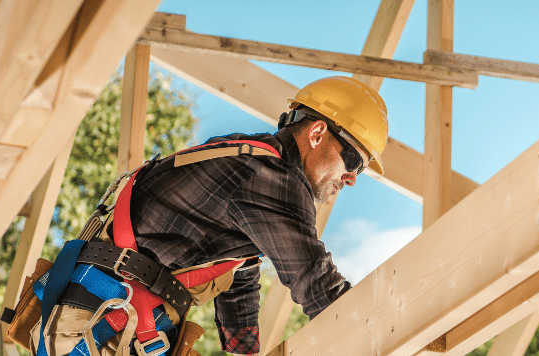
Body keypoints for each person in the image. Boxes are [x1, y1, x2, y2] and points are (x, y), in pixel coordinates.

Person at [21, 76, 388, 356]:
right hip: (102, 329)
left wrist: (244, 352)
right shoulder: (272, 178)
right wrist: (379, 331)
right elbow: (316, 283)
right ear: (318, 133)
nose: (352, 178)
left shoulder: (244, 160)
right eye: (353, 161)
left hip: (97, 325)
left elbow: (239, 277)